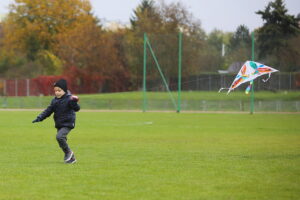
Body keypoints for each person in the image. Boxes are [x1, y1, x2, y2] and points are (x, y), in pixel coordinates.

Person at [32, 79, 80, 164]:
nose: (57, 92)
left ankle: (68, 152)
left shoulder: (70, 99)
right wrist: (40, 117)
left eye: (59, 90)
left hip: (68, 123)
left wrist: (74, 102)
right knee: (61, 141)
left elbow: (76, 109)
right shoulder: (54, 101)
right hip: (59, 124)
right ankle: (71, 158)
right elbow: (48, 111)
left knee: (59, 137)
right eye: (55, 91)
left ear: (64, 90)